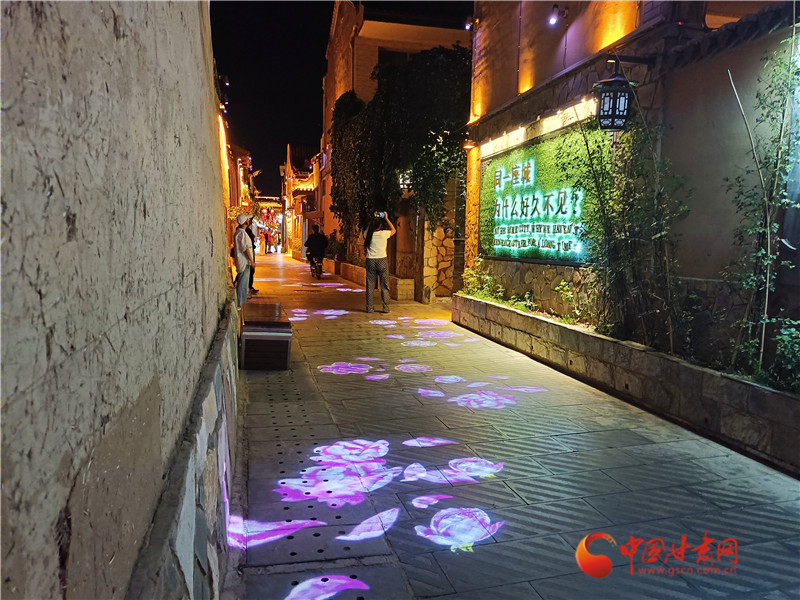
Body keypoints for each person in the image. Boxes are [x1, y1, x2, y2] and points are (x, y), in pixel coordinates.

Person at [363, 212, 396, 313]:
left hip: (370, 260)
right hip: (382, 260)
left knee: (370, 285)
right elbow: (394, 230)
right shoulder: (383, 234)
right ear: (380, 226)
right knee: (384, 284)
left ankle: (369, 307)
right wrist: (386, 218)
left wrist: (372, 220)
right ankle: (385, 307)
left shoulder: (367, 234)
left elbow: (366, 230)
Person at [233, 214, 255, 311]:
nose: (249, 220)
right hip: (244, 262)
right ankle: (239, 304)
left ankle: (241, 302)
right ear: (245, 221)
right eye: (247, 219)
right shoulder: (241, 233)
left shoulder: (240, 232)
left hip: (244, 261)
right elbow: (245, 249)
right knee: (242, 284)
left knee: (243, 283)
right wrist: (251, 261)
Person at [245, 218, 258, 294]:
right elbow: (246, 246)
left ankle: (249, 286)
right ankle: (248, 287)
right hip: (248, 253)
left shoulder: (247, 230)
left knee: (251, 271)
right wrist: (251, 260)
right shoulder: (243, 231)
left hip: (251, 251)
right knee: (248, 271)